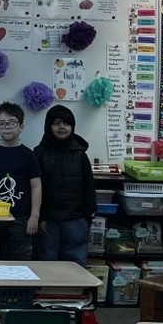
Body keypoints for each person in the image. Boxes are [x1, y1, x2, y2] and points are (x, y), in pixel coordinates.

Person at [32, 104, 95, 265]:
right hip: (48, 222)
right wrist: (39, 218)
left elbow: (89, 187)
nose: (62, 127)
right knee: (46, 261)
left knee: (76, 263)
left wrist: (86, 218)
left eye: (67, 123)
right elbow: (34, 188)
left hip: (76, 220)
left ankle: (75, 292)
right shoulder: (39, 153)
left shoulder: (80, 154)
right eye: (57, 123)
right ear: (49, 126)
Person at [0, 101, 41, 260]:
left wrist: (34, 216)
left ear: (21, 126)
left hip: (20, 218)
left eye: (12, 122)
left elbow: (36, 186)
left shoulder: (29, 155)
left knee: (19, 260)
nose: (7, 127)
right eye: (2, 123)